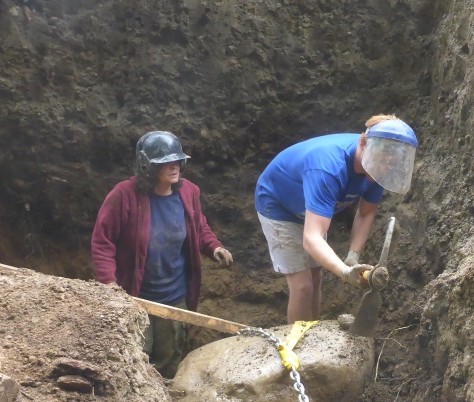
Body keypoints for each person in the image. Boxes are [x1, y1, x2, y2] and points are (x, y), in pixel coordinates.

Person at [91, 131, 233, 378]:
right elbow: (103, 242)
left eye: (176, 160)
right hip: (135, 298)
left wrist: (213, 247)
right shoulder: (124, 195)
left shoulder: (188, 192)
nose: (174, 167)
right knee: (137, 359)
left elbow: (198, 226)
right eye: (165, 162)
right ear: (148, 166)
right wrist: (109, 284)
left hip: (173, 297)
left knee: (169, 361)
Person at [254, 115, 417, 323]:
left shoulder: (378, 164)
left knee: (315, 276)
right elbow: (312, 237)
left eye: (390, 164)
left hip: (311, 208)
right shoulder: (328, 167)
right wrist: (345, 271)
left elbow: (366, 212)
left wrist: (353, 255)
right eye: (381, 162)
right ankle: (297, 348)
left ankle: (313, 336)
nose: (384, 169)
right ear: (362, 143)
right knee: (303, 287)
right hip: (277, 204)